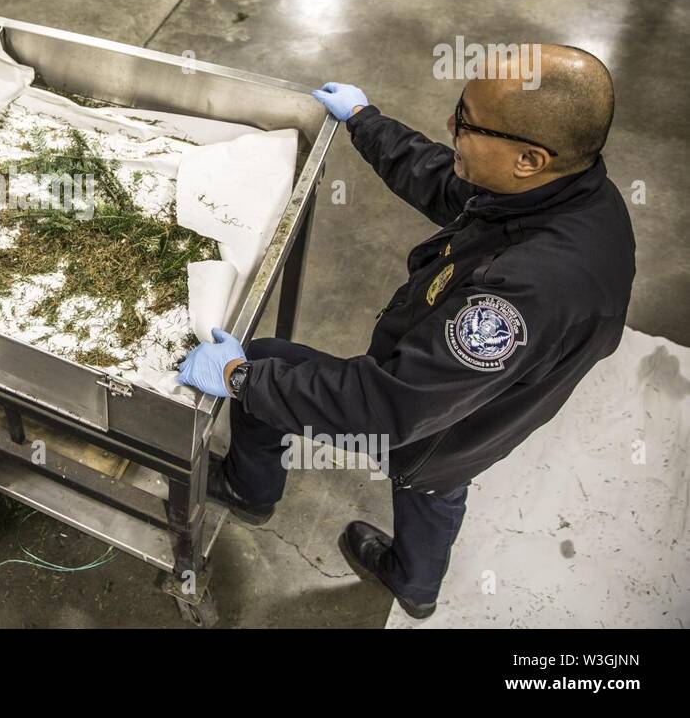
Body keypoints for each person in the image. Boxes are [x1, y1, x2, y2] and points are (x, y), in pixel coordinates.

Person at [178, 44, 635, 618]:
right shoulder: (565, 190)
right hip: (483, 414)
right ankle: (415, 585)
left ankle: (250, 491)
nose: (450, 126)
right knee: (438, 486)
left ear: (528, 158)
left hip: (438, 425)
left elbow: (387, 406)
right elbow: (447, 182)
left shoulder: (516, 298)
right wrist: (366, 123)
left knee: (273, 364)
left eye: (466, 122)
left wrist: (240, 377)